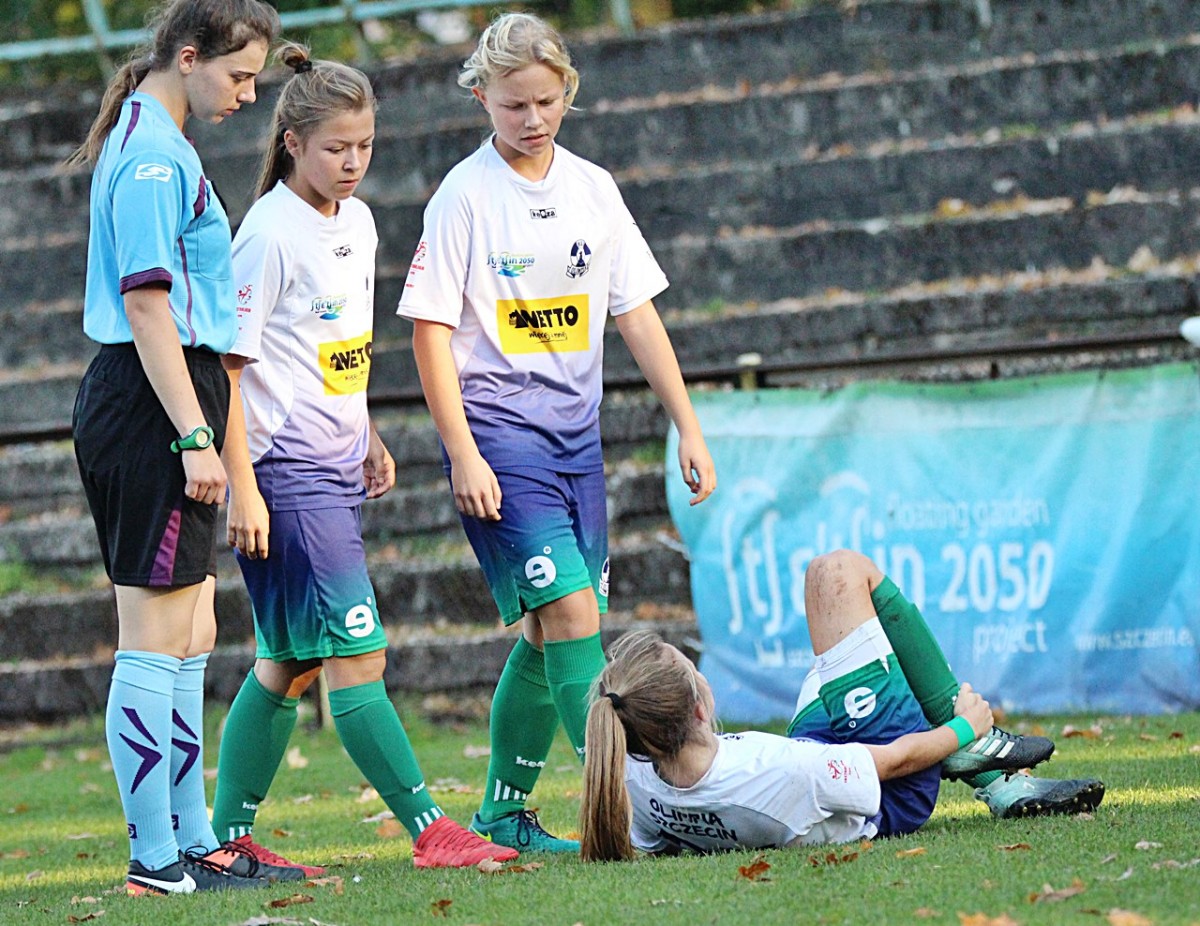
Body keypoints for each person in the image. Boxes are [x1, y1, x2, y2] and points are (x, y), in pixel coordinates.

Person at [396, 12, 718, 854]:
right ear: (482, 99)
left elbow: (636, 314)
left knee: (547, 632)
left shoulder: (593, 188)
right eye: (514, 105)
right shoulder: (463, 196)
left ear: (567, 91)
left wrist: (688, 426)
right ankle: (632, 815)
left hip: (577, 443)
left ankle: (503, 813)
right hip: (499, 436)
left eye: (546, 101)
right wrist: (463, 451)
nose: (532, 118)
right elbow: (429, 333)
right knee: (574, 616)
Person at [209, 43, 519, 873]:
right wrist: (244, 488)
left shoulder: (360, 221)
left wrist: (367, 432)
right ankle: (431, 829)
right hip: (286, 475)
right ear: (292, 143)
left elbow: (334, 351)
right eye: (336, 148)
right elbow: (228, 373)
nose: (353, 163)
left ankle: (225, 840)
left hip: (334, 466)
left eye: (365, 146)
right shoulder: (268, 236)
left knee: (289, 660)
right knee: (356, 653)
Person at [67, 0, 289, 896]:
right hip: (152, 403)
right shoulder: (154, 158)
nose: (247, 94)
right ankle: (154, 858)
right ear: (188, 57)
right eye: (239, 76)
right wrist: (196, 436)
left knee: (192, 631)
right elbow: (146, 303)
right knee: (153, 638)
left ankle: (193, 841)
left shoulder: (161, 141)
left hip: (172, 393)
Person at [580, 549, 1105, 860]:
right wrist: (965, 727)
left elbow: (656, 841)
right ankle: (991, 767)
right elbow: (893, 762)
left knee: (834, 609)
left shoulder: (633, 774)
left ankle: (994, 776)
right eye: (695, 670)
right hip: (889, 797)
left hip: (811, 765)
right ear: (699, 709)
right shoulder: (772, 769)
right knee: (837, 573)